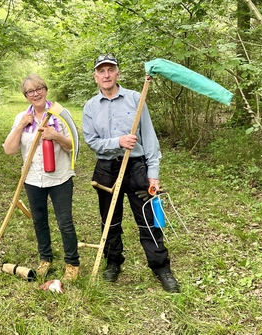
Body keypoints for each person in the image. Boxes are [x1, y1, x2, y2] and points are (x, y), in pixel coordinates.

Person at [82, 54, 179, 293]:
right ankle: (113, 262)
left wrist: (153, 173)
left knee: (148, 219)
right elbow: (92, 142)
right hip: (106, 169)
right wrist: (118, 141)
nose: (106, 75)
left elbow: (150, 138)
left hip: (137, 167)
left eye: (110, 70)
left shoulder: (136, 98)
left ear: (117, 73)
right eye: (101, 71)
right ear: (95, 76)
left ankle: (161, 268)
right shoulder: (91, 107)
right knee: (110, 220)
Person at [3, 74, 80, 281]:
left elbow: (73, 145)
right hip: (32, 179)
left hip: (60, 178)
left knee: (65, 222)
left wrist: (56, 136)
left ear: (45, 90)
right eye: (30, 91)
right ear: (26, 95)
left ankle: (72, 262)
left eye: (39, 89)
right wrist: (21, 125)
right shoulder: (21, 117)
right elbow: (9, 150)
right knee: (39, 221)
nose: (35, 94)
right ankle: (45, 259)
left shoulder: (61, 114)